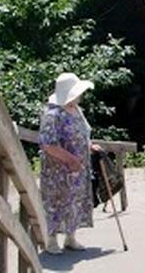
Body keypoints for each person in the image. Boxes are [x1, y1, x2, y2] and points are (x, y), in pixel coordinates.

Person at [38, 72, 103, 253]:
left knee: (75, 200)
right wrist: (70, 158)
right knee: (56, 201)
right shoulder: (53, 113)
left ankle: (70, 237)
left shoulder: (76, 110)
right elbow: (48, 144)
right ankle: (51, 240)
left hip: (78, 168)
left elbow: (83, 133)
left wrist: (89, 145)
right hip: (57, 170)